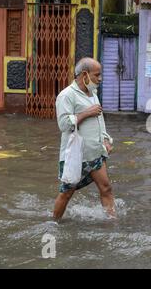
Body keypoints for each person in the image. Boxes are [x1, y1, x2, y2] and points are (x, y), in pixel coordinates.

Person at [53, 57, 115, 221]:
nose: (100, 79)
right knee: (66, 194)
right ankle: (54, 223)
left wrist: (106, 140)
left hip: (95, 153)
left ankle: (112, 223)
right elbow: (64, 125)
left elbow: (99, 121)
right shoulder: (66, 96)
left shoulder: (93, 94)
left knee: (106, 188)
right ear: (84, 75)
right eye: (97, 75)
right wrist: (87, 112)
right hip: (76, 155)